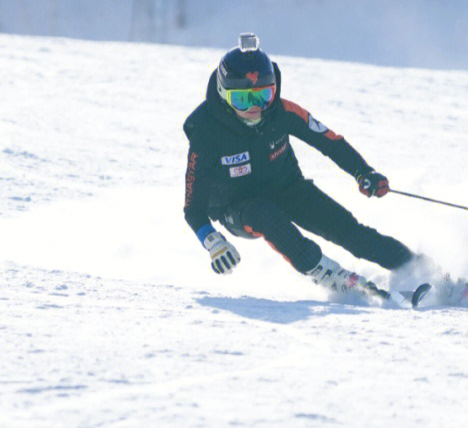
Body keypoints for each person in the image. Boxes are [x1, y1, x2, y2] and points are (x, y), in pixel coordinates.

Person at [182, 32, 430, 301]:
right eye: (242, 99)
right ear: (223, 94)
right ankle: (330, 275)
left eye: (264, 95)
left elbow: (329, 142)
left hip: (288, 188)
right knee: (264, 214)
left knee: (349, 230)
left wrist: (363, 172)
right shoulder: (206, 133)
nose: (255, 108)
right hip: (238, 210)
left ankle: (419, 268)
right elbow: (193, 209)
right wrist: (213, 242)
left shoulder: (282, 112)